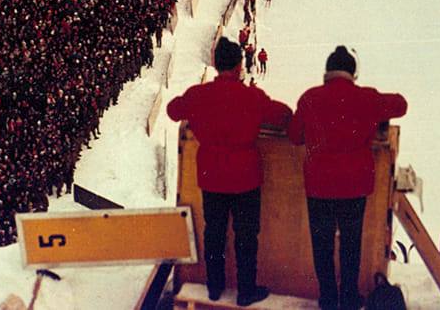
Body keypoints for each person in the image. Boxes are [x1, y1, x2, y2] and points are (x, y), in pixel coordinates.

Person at [166, 37, 292, 307]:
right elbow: (284, 115)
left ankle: (214, 287)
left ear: (215, 64)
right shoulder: (252, 96)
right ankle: (246, 291)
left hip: (212, 176)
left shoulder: (198, 95)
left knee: (214, 233)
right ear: (238, 67)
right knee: (246, 236)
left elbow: (172, 110)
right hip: (246, 177)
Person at [288, 45, 407, 310]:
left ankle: (328, 299)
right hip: (354, 186)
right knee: (351, 245)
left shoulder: (309, 97)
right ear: (353, 73)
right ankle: (350, 298)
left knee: (323, 246)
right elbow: (401, 104)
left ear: (327, 72)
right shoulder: (366, 98)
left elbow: (294, 135)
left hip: (318, 187)